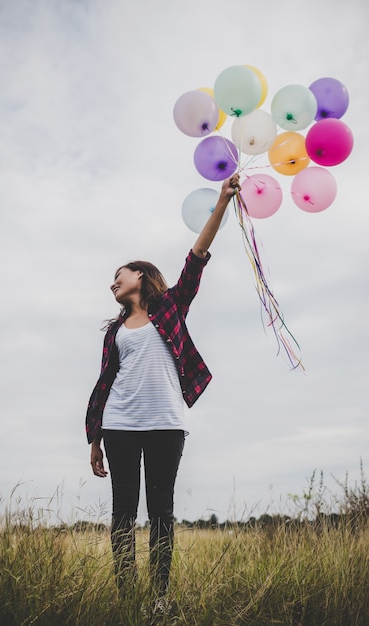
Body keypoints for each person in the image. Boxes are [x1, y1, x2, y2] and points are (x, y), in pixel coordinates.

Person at [85, 174, 240, 604]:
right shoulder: (114, 331)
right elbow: (105, 385)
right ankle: (128, 595)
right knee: (122, 513)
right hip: (118, 425)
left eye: (120, 274)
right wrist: (95, 439)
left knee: (161, 514)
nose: (113, 282)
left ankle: (159, 597)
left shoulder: (170, 307)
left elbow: (197, 255)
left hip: (167, 423)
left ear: (142, 276)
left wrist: (223, 201)